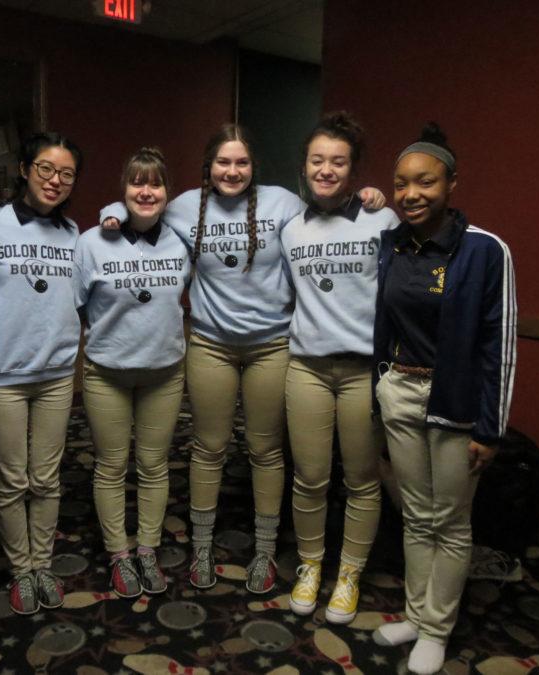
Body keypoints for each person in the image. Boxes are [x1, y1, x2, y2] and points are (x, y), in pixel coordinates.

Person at [101, 124, 385, 594]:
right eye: (223, 163)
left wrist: (370, 196)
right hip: (211, 344)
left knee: (265, 450)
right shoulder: (184, 207)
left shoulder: (283, 204)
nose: (232, 172)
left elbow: (334, 209)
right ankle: (203, 546)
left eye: (242, 163)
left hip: (272, 345)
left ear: (254, 167)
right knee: (208, 448)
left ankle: (266, 549)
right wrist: (112, 211)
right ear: (208, 167)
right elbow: (139, 209)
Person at [370, 124, 517, 674]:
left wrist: (490, 428)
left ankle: (436, 627)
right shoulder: (393, 245)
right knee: (414, 514)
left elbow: (499, 343)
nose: (411, 194)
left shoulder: (485, 250)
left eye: (426, 182)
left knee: (450, 522)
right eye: (402, 183)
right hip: (400, 392)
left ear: (451, 183)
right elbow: (383, 325)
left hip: (455, 400)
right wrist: (376, 392)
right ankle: (414, 613)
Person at [280, 112, 399, 622]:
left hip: (362, 371)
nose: (326, 170)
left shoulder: (383, 221)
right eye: (317, 160)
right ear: (304, 166)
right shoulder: (290, 230)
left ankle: (348, 572)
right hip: (306, 366)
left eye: (338, 162)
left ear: (353, 170)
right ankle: (311, 565)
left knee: (361, 478)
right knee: (308, 477)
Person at [76, 147, 191, 597]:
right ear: (123, 191)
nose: (146, 191)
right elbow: (78, 307)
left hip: (164, 371)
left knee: (153, 464)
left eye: (155, 183)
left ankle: (146, 548)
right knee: (111, 466)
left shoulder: (180, 239)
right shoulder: (91, 242)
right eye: (136, 182)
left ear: (167, 192)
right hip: (108, 372)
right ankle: (119, 554)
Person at [0, 132, 83, 615]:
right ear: (24, 169)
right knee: (11, 479)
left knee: (46, 478)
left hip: (58, 373)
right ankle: (20, 569)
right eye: (45, 168)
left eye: (65, 173)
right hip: (3, 374)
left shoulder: (73, 234)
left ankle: (41, 565)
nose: (54, 180)